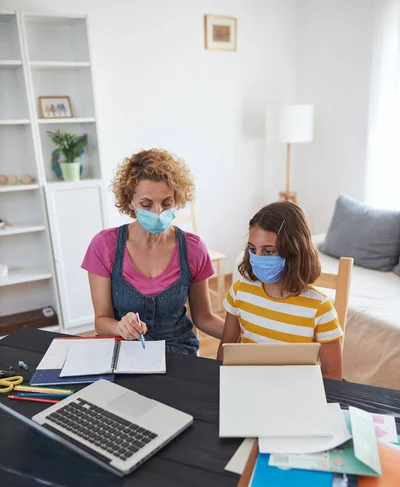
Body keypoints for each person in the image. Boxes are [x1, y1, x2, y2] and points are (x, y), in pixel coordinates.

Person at [82, 148, 224, 355]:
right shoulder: (104, 245)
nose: (158, 213)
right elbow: (101, 321)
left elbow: (204, 318)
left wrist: (245, 334)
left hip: (178, 351)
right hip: (124, 351)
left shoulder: (193, 248)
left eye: (167, 203)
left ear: (177, 198)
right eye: (146, 204)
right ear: (130, 201)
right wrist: (119, 327)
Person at [217, 202, 343, 379]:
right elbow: (225, 353)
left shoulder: (320, 308)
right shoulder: (240, 292)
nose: (257, 258)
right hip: (247, 384)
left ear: (294, 251)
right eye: (252, 249)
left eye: (268, 252)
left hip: (296, 392)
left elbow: (333, 375)